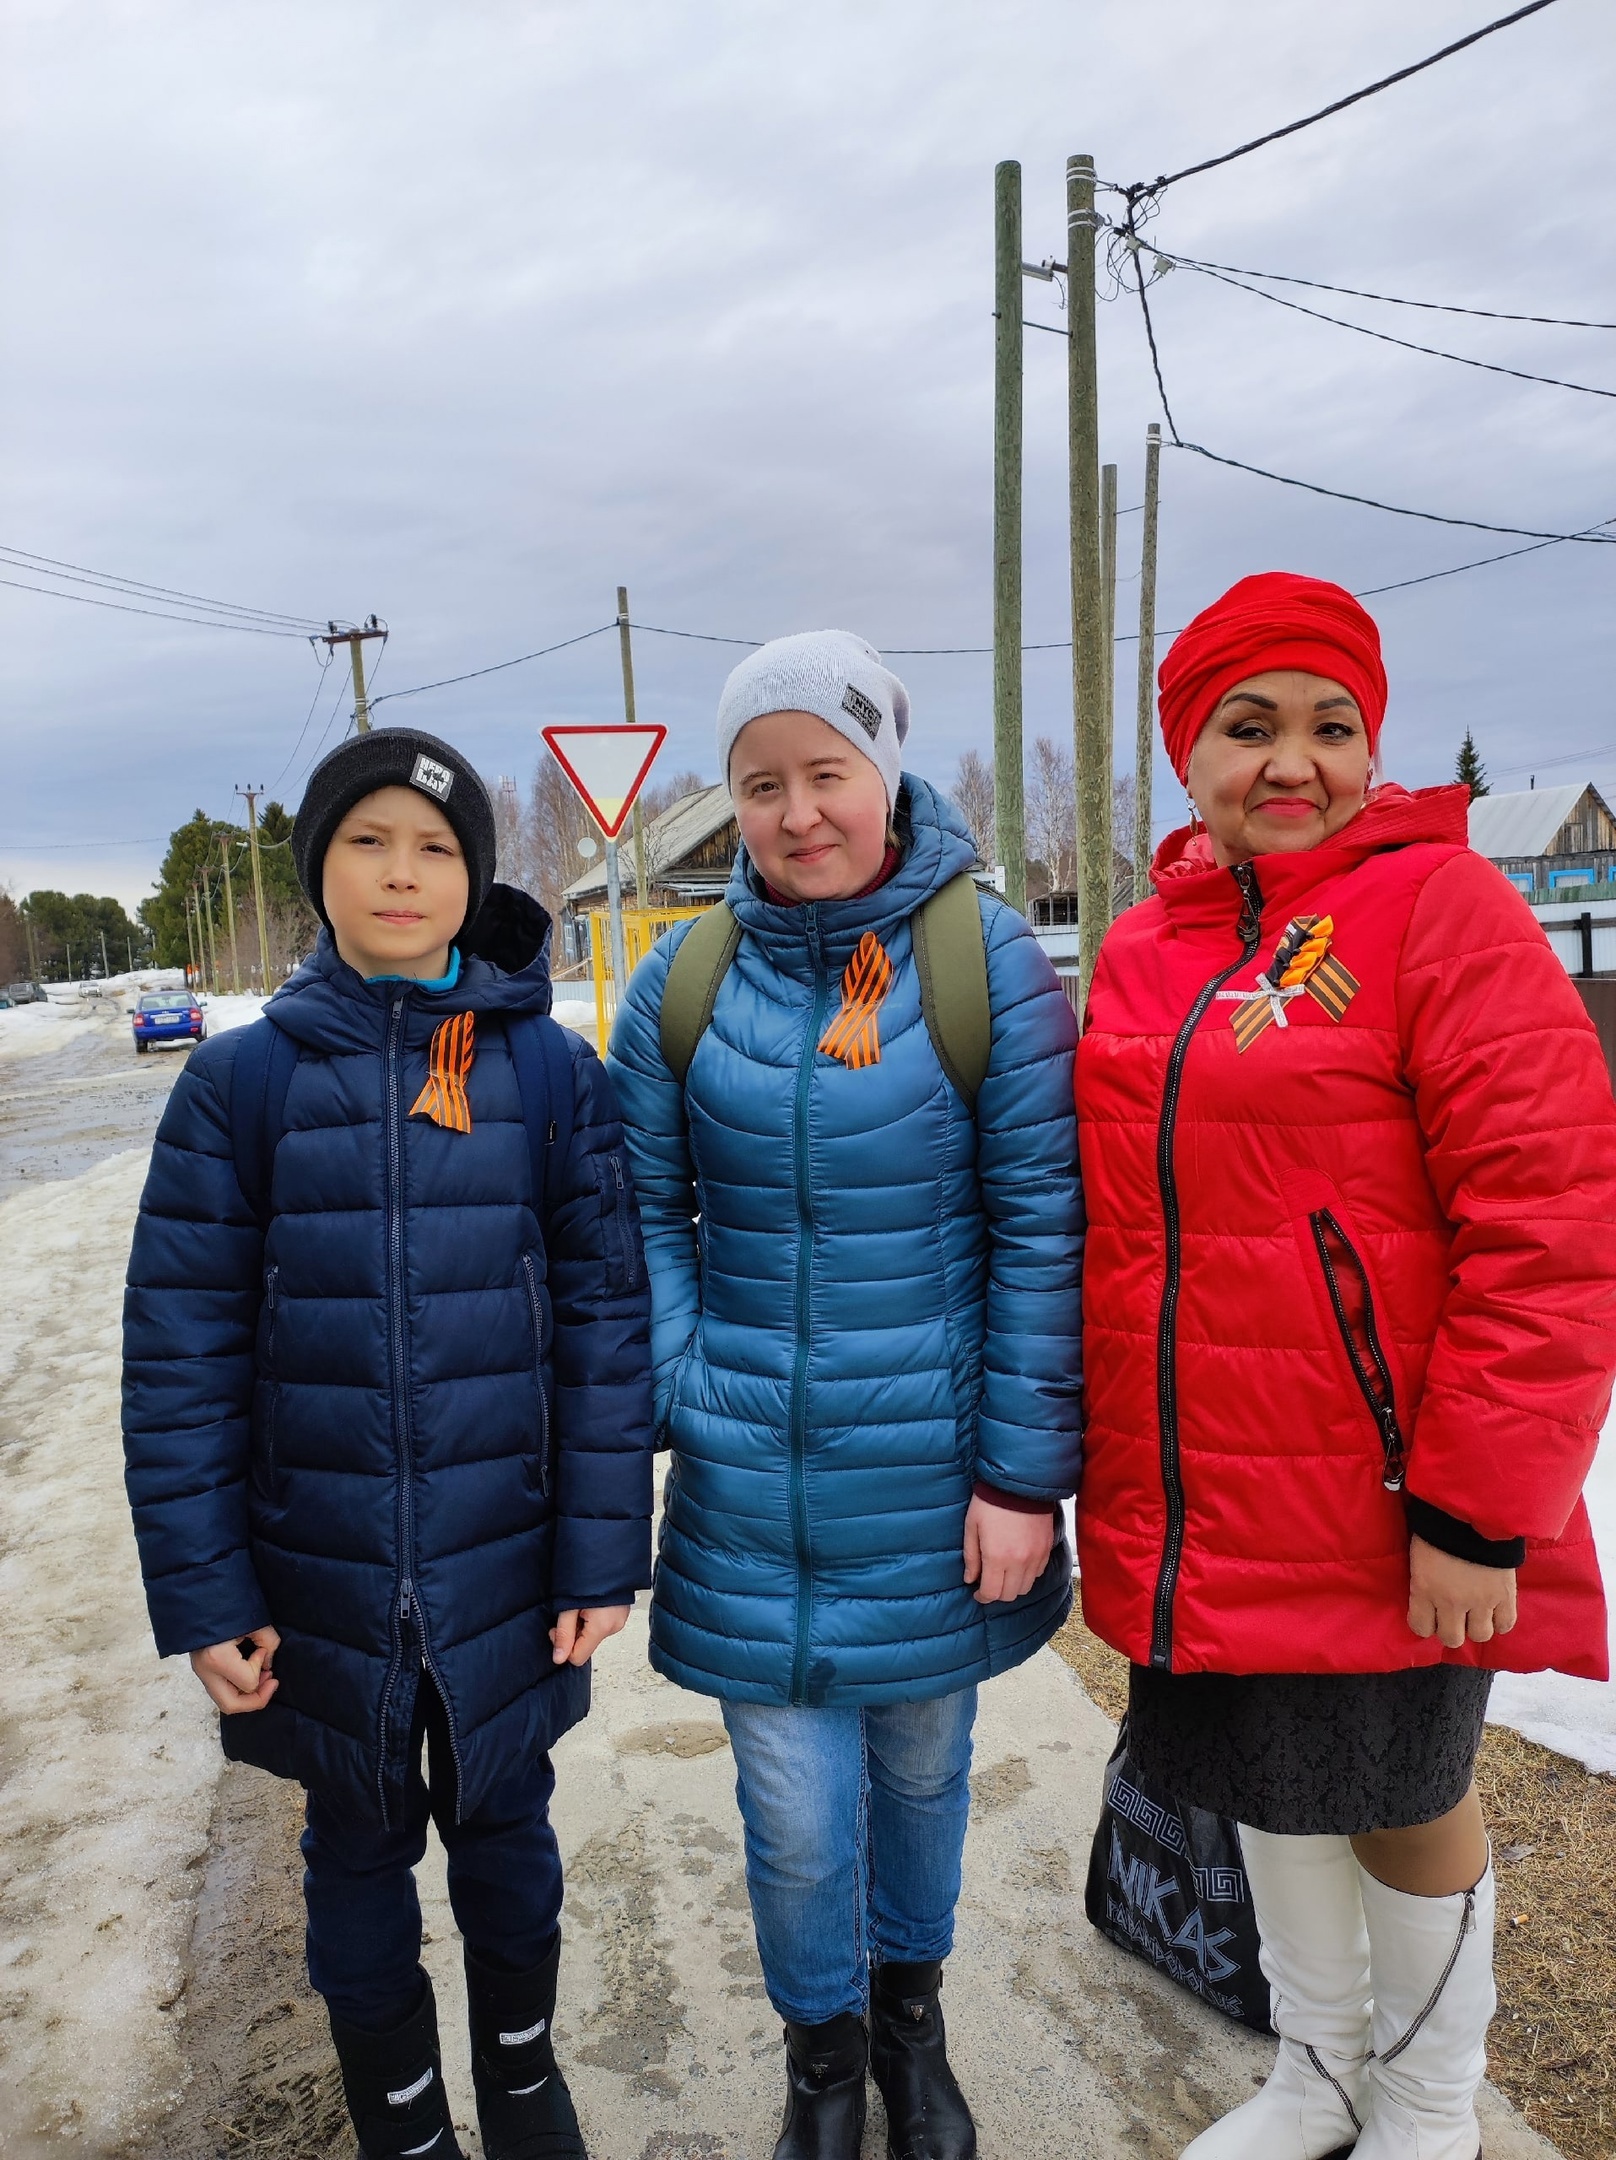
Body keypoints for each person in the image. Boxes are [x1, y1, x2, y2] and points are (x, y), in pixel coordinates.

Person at [1076, 572, 1616, 2160]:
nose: (1290, 761)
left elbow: (1550, 1217)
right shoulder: (1140, 952)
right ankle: (1318, 2072)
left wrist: (1478, 1502)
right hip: (1204, 1489)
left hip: (1387, 1486)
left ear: (1375, 751)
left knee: (1402, 1792)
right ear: (1192, 755)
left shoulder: (1444, 911)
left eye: (1332, 726)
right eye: (1250, 728)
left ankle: (1431, 2108)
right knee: (1267, 1782)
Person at [123, 727, 655, 2160]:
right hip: (318, 1576)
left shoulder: (548, 1075)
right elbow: (178, 1358)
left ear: (474, 879)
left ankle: (527, 2082)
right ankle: (404, 2122)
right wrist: (208, 1592)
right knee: (352, 1853)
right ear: (319, 872)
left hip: (506, 1569)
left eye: (435, 849)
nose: (403, 873)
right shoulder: (239, 1091)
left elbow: (607, 1331)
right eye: (368, 842)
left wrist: (601, 1553)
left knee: (508, 1838)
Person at [606, 630, 1084, 2160]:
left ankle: (909, 2026)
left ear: (884, 771)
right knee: (799, 1824)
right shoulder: (682, 980)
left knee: (926, 1777)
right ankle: (822, 2060)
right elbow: (637, 1214)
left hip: (933, 1488)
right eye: (761, 784)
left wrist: (1019, 1477)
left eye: (827, 772)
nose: (799, 812)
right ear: (727, 800)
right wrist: (691, 1384)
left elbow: (1039, 1224)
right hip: (751, 1488)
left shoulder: (982, 959)